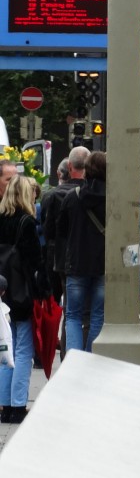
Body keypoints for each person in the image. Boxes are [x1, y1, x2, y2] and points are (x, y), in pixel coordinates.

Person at [0, 176, 43, 423]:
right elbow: (35, 263)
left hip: (3, 292)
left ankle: (4, 406)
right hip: (22, 294)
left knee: (5, 347)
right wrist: (43, 292)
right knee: (23, 349)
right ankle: (18, 405)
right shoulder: (26, 222)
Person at [58, 151, 106, 353]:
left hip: (77, 263)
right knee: (97, 315)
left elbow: (61, 231)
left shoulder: (72, 197)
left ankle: (74, 359)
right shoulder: (112, 199)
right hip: (102, 264)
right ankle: (89, 357)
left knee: (73, 315)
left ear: (86, 171)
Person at [40, 147, 88, 303]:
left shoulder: (52, 195)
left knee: (68, 303)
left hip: (61, 256)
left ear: (69, 167)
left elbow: (48, 230)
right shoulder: (92, 193)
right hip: (89, 256)